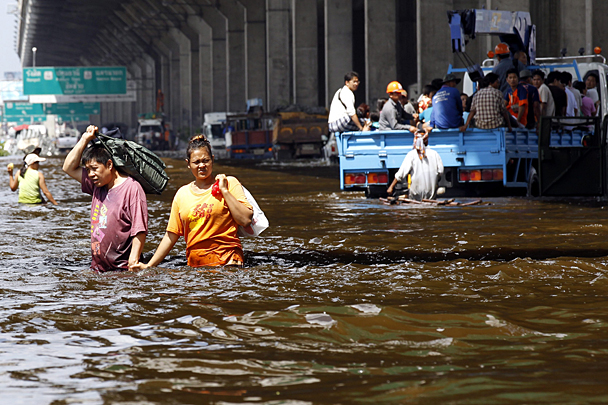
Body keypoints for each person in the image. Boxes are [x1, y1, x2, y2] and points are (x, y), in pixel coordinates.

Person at [130, 135, 253, 270]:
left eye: (206, 160)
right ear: (188, 163)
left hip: (229, 263)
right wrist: (149, 266)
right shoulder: (182, 194)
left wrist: (224, 190)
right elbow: (171, 235)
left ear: (212, 160)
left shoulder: (229, 183)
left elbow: (245, 219)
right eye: (196, 162)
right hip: (196, 266)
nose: (202, 165)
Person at [62, 125, 148, 273]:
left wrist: (133, 262)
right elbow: (68, 168)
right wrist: (85, 139)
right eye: (88, 170)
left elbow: (139, 229)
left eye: (94, 168)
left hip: (121, 270)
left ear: (109, 165)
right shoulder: (97, 185)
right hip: (98, 269)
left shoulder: (132, 188)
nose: (90, 174)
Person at [386, 131, 444, 201]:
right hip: (431, 196)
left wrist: (391, 187)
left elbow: (401, 174)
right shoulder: (435, 154)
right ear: (427, 142)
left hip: (416, 197)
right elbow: (440, 171)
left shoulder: (412, 154)